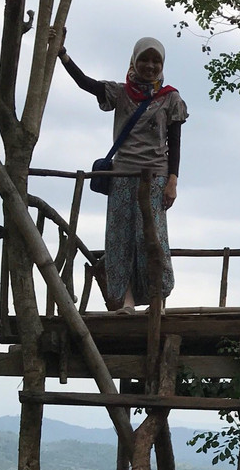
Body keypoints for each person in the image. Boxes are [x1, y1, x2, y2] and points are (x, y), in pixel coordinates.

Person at [54, 32, 188, 313]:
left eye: (156, 61)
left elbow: (174, 142)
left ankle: (157, 301)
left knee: (151, 238)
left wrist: (173, 181)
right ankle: (126, 301)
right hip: (121, 176)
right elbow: (86, 84)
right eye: (144, 60)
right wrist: (63, 56)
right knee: (119, 239)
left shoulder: (170, 98)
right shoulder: (122, 93)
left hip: (154, 177)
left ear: (162, 64)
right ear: (134, 61)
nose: (150, 66)